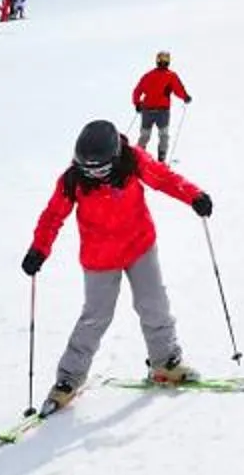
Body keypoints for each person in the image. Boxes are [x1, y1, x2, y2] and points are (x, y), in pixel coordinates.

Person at [20, 120, 212, 414]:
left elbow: (163, 178)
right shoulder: (73, 180)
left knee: (154, 303)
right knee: (95, 318)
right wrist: (38, 249)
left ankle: (165, 363)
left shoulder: (132, 161)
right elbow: (52, 216)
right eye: (88, 168)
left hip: (139, 245)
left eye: (100, 168)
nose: (94, 174)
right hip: (100, 257)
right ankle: (68, 380)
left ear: (114, 157)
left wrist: (193, 195)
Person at [132, 51, 191, 160]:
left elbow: (137, 91)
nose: (163, 62)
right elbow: (138, 90)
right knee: (160, 135)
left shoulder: (154, 75)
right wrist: (185, 97)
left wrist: (137, 103)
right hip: (158, 111)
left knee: (148, 135)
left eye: (165, 60)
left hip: (153, 110)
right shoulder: (168, 76)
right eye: (162, 60)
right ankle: (152, 158)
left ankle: (144, 157)